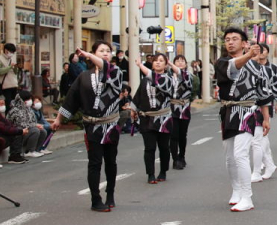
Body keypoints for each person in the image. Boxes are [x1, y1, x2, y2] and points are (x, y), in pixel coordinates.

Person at [53, 43, 125, 212]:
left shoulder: (116, 72)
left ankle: (110, 194)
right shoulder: (84, 76)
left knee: (110, 161)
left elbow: (106, 67)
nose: (105, 54)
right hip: (92, 126)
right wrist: (59, 119)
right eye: (101, 51)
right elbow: (72, 98)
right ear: (94, 53)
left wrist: (87, 55)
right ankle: (95, 199)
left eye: (108, 51)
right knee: (94, 163)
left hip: (111, 126)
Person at [215, 28, 270, 212]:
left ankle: (247, 197)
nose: (230, 42)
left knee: (240, 154)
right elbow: (233, 68)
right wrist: (249, 56)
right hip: (227, 111)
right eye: (227, 39)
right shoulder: (222, 62)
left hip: (247, 112)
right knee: (229, 157)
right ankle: (236, 190)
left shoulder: (258, 68)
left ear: (245, 43)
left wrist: (266, 118)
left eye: (235, 39)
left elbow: (263, 95)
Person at [133, 52, 177, 184]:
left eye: (161, 60)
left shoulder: (169, 79)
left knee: (164, 147)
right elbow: (138, 96)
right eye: (155, 60)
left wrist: (140, 65)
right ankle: (150, 174)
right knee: (149, 147)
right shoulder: (145, 79)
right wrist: (133, 109)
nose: (158, 62)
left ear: (165, 64)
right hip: (147, 118)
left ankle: (163, 172)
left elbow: (158, 81)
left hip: (164, 119)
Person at [249, 43, 277, 183]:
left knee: (258, 139)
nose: (259, 53)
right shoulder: (247, 67)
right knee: (262, 139)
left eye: (261, 51)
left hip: (264, 105)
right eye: (255, 51)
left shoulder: (271, 69)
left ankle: (258, 170)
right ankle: (269, 164)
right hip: (247, 108)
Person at [0, 95, 28, 164]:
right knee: (17, 133)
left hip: (1, 134)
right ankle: (14, 156)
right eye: (1, 104)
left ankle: (17, 154)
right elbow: (2, 128)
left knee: (19, 131)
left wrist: (19, 130)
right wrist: (18, 131)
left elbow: (8, 124)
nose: (3, 106)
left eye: (4, 104)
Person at [169, 55, 194, 169]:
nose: (179, 63)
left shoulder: (188, 75)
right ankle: (175, 159)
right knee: (173, 135)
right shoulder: (167, 76)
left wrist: (171, 64)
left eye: (182, 61)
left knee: (182, 135)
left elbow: (188, 83)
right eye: (177, 61)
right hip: (171, 108)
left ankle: (182, 156)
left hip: (184, 108)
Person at [8, 91, 48, 157]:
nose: (30, 101)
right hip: (19, 132)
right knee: (35, 130)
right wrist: (35, 125)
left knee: (43, 131)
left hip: (28, 130)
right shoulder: (15, 110)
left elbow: (32, 121)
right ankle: (30, 151)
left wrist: (36, 125)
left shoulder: (29, 109)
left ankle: (36, 149)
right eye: (28, 99)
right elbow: (20, 124)